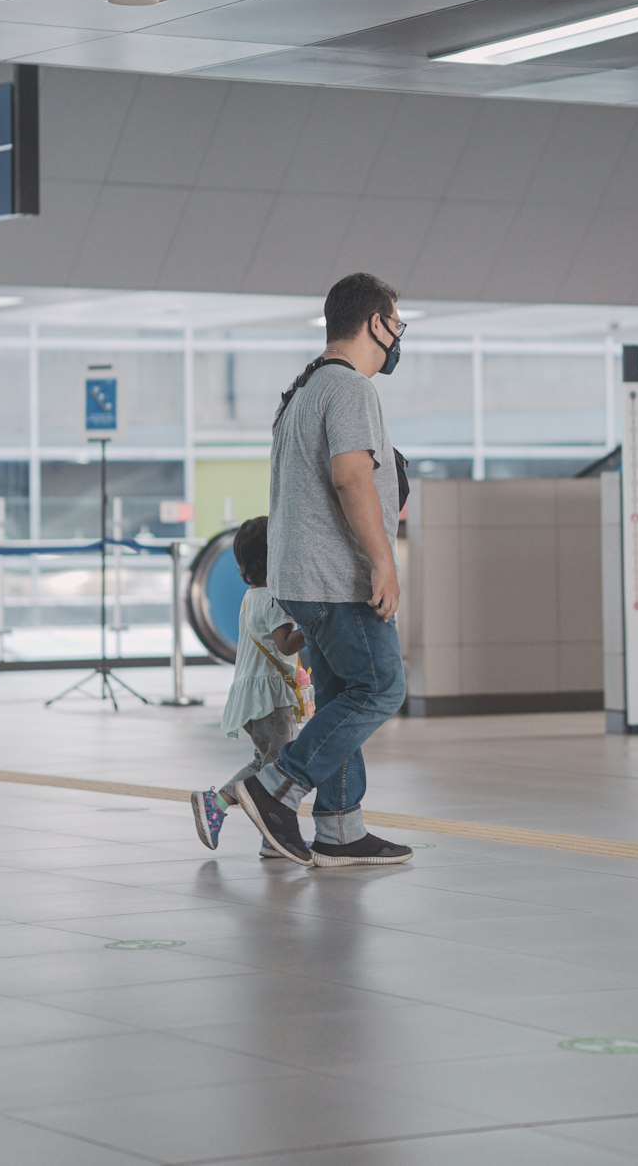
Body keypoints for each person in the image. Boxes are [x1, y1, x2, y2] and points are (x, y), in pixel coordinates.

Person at [232, 272, 413, 869]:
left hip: (301, 579)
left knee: (339, 691)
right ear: (374, 323)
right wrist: (383, 562)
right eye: (395, 321)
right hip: (339, 579)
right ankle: (274, 788)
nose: (398, 334)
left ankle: (340, 829)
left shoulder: (302, 388)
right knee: (382, 687)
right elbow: (351, 477)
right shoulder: (351, 388)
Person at [191, 516, 307, 860]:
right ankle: (220, 802)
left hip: (251, 694)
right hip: (270, 697)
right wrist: (317, 625)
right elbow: (286, 645)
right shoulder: (273, 599)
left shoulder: (252, 596)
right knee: (282, 768)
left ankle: (271, 838)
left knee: (265, 762)